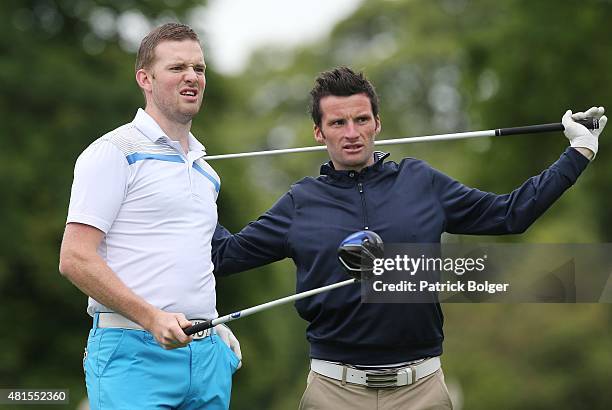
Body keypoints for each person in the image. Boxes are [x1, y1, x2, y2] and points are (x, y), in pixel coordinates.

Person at [211, 66, 606, 409]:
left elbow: (510, 214)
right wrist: (189, 185)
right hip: (334, 391)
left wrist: (579, 152)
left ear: (377, 123)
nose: (352, 133)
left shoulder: (421, 182)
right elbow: (224, 256)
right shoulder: (301, 202)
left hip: (422, 389)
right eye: (337, 123)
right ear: (318, 131)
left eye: (362, 120)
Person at [59, 23, 241, 410]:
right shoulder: (113, 151)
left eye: (199, 68)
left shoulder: (206, 171)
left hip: (206, 357)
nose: (192, 76)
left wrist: (210, 324)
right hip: (132, 353)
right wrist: (151, 317)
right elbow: (75, 258)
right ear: (145, 78)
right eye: (177, 68)